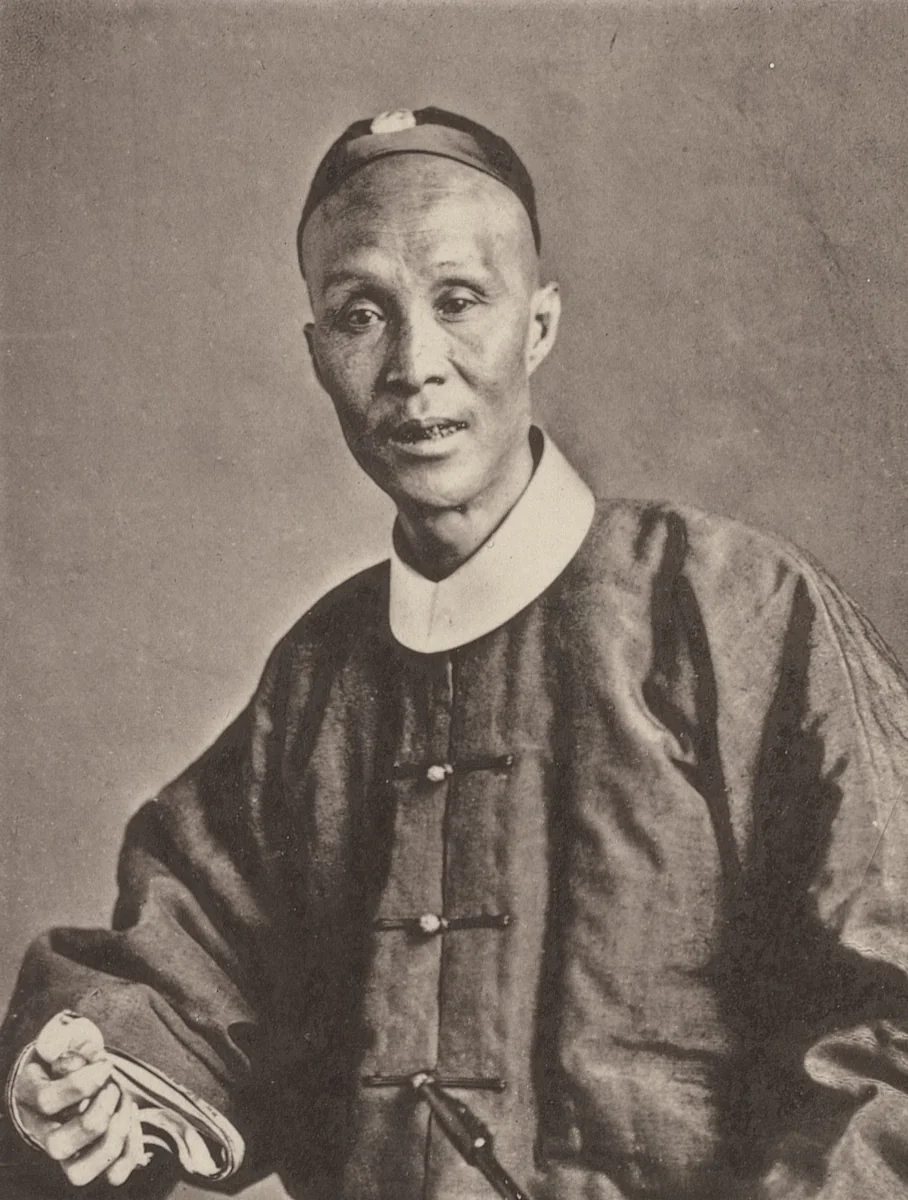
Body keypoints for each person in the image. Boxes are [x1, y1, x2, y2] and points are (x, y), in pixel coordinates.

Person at [3, 106, 908, 1200]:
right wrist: (93, 1081)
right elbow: (182, 965)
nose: (413, 366)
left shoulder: (734, 608)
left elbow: (889, 1018)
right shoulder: (320, 676)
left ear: (538, 324)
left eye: (459, 302)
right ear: (316, 354)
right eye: (359, 315)